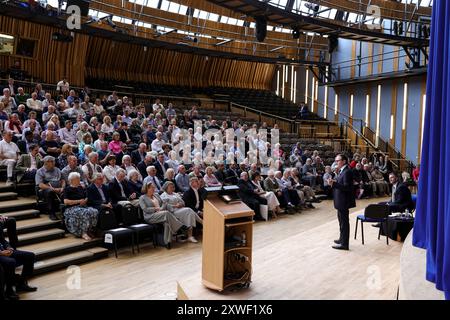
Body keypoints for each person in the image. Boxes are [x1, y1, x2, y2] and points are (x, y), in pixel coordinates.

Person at [139, 181, 184, 247]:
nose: (154, 188)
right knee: (166, 213)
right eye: (152, 187)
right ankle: (180, 227)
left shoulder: (156, 195)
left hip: (161, 213)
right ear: (147, 188)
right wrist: (156, 209)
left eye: (154, 187)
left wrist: (161, 208)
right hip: (150, 216)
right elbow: (145, 209)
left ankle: (166, 243)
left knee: (167, 223)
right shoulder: (142, 198)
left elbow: (163, 203)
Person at [0, 222, 37, 300]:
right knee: (10, 262)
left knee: (30, 256)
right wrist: (1, 253)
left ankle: (21, 284)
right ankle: (9, 290)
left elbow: (2, 239)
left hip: (4, 250)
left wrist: (9, 247)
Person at [327, 154, 356, 251]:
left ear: (343, 161)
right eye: (335, 160)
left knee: (344, 223)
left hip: (344, 201)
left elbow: (347, 187)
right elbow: (341, 183)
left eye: (337, 160)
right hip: (340, 201)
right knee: (341, 222)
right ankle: (341, 239)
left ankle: (344, 244)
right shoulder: (342, 171)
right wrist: (334, 181)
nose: (336, 162)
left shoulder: (347, 172)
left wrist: (334, 183)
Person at [63, 172, 99, 241]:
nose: (79, 180)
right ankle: (83, 232)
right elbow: (66, 201)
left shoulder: (80, 188)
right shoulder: (67, 189)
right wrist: (79, 201)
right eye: (78, 179)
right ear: (72, 180)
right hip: (71, 208)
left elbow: (85, 197)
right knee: (85, 212)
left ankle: (89, 230)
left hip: (82, 206)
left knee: (94, 211)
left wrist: (85, 200)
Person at [35, 156, 65, 220]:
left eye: (53, 161)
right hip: (46, 189)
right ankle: (51, 213)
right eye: (52, 162)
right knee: (50, 192)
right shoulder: (40, 171)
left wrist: (62, 187)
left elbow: (62, 180)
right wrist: (53, 189)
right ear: (46, 163)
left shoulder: (57, 169)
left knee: (68, 190)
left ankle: (66, 212)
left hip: (59, 188)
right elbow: (40, 185)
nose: (54, 163)